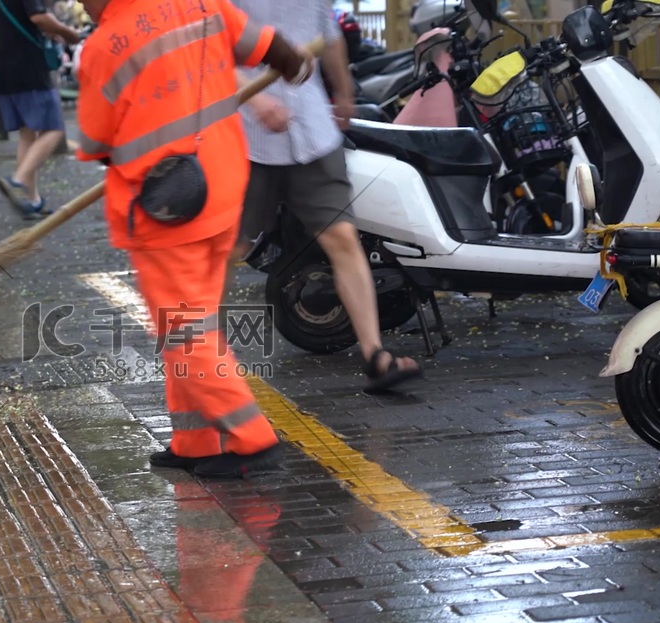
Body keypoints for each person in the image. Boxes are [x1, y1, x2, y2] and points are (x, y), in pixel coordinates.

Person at [73, 0, 315, 478]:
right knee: (192, 325)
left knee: (185, 333)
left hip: (169, 207)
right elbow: (267, 46)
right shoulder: (199, 2)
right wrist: (292, 61)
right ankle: (195, 441)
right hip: (223, 185)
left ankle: (253, 439)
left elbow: (93, 140)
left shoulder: (103, 47)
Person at [228, 0, 424, 393]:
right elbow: (207, 52)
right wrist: (254, 98)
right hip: (245, 134)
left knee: (341, 236)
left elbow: (328, 33)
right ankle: (203, 363)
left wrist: (344, 91)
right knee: (228, 250)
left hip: (312, 128)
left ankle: (375, 356)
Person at [0, 0, 82, 220]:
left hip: (3, 72)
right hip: (29, 69)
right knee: (54, 129)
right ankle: (18, 181)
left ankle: (32, 201)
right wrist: (69, 34)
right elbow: (38, 16)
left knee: (27, 135)